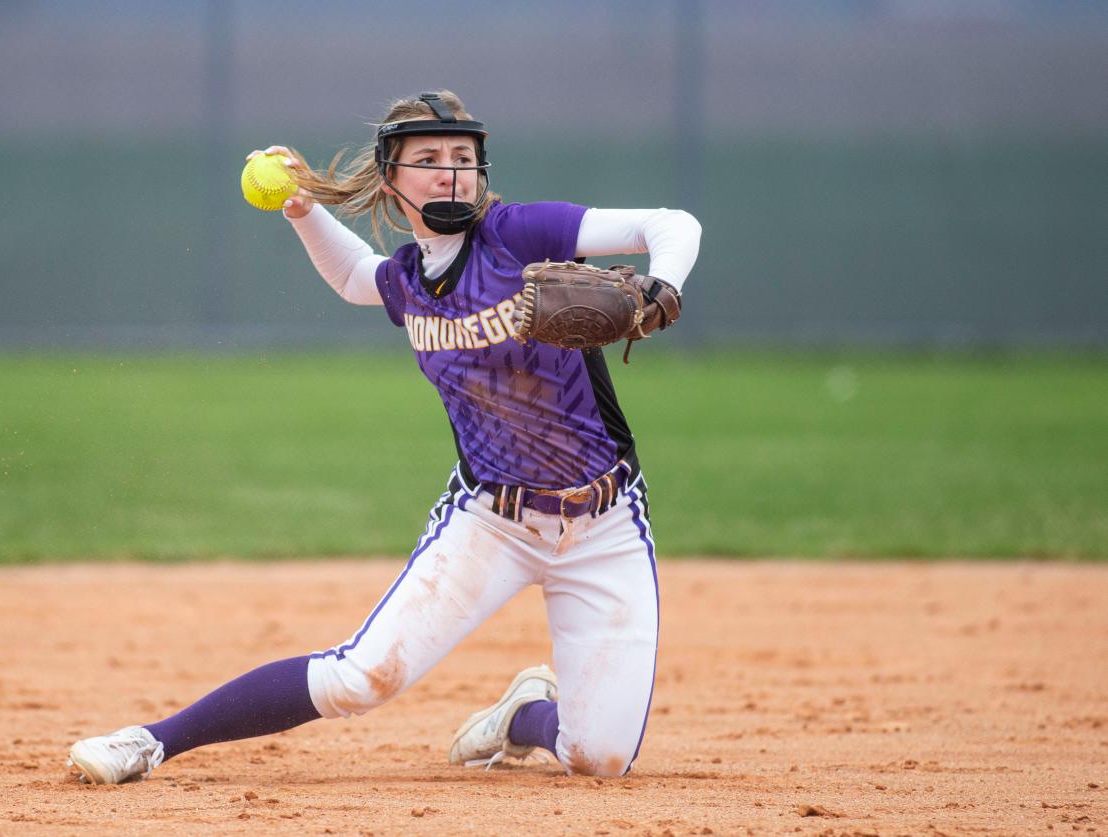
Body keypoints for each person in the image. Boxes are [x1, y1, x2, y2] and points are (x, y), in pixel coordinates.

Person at [67, 90, 702, 784]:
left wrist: (660, 291)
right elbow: (350, 275)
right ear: (391, 177)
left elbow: (671, 224)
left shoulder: (521, 235)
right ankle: (150, 740)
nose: (449, 172)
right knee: (360, 677)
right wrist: (304, 208)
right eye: (427, 158)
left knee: (600, 757)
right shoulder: (407, 280)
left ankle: (523, 715)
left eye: (462, 157)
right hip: (492, 520)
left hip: (605, 522)